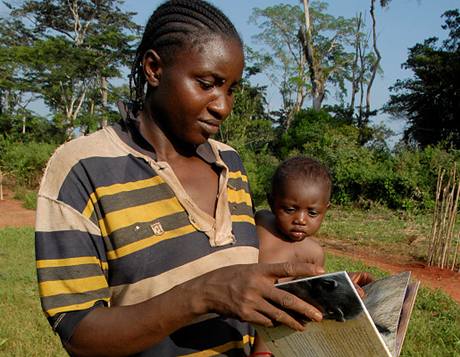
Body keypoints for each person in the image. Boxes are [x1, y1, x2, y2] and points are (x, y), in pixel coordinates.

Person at [34, 1, 327, 356]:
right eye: (207, 84)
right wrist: (203, 294)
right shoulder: (83, 168)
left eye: (231, 89)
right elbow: (79, 335)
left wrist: (325, 294)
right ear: (154, 68)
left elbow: (250, 288)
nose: (223, 106)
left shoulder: (229, 162)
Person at [256, 156, 331, 268]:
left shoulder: (314, 254)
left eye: (312, 213)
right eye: (290, 210)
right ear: (272, 203)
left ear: (326, 210)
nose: (300, 220)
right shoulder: (261, 221)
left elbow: (310, 284)